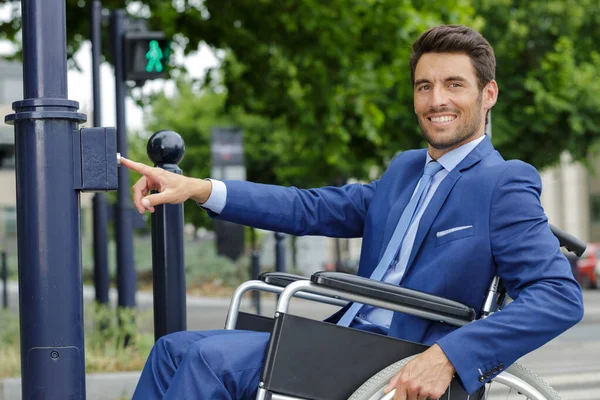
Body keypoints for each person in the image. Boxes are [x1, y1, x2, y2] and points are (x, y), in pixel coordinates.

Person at [122, 24, 584, 400]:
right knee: (172, 350)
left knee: (208, 363)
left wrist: (447, 357)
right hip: (343, 340)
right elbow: (309, 207)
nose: (436, 99)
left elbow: (558, 296)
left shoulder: (503, 183)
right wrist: (199, 188)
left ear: (489, 95)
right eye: (425, 86)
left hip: (396, 361)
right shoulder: (405, 170)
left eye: (454, 85)